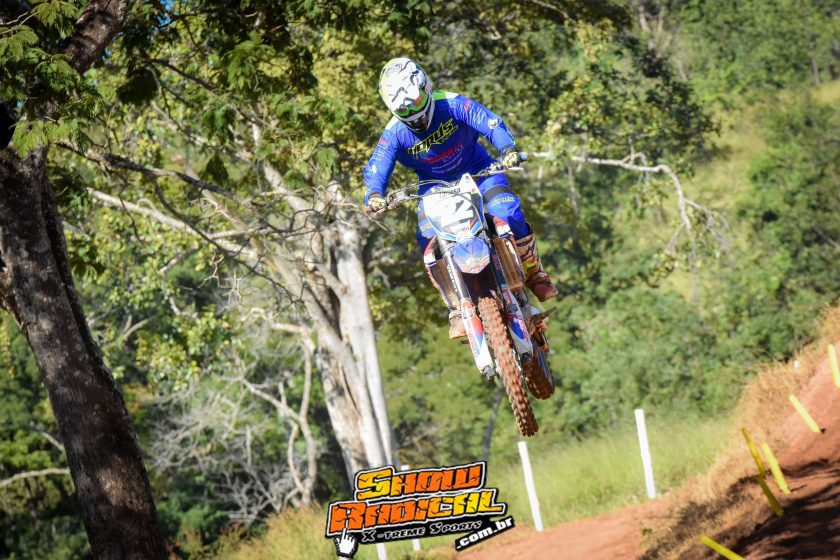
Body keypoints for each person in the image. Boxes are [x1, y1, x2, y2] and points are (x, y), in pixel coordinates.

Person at [364, 57, 557, 339]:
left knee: (507, 212)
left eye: (416, 101)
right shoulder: (394, 133)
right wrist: (374, 195)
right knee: (427, 239)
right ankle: (456, 305)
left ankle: (533, 271)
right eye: (404, 108)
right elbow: (377, 165)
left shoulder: (452, 103)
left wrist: (508, 149)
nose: (414, 112)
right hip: (434, 187)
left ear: (426, 87)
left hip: (479, 171)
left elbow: (489, 122)